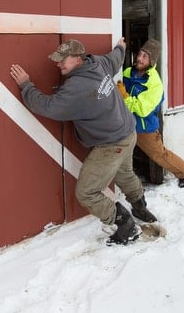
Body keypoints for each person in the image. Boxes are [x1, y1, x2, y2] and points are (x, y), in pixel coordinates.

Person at [9, 38, 158, 245]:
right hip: (128, 132)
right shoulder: (98, 63)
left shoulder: (76, 87)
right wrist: (121, 47)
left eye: (63, 60)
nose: (58, 64)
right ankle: (141, 207)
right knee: (125, 174)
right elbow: (116, 58)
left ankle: (125, 225)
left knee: (86, 192)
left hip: (112, 143)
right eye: (57, 60)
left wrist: (26, 85)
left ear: (78, 60)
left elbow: (48, 106)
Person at [117, 39, 184, 188]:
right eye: (140, 54)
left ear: (152, 60)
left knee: (158, 154)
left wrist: (124, 96)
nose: (139, 58)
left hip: (143, 127)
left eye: (145, 56)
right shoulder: (128, 72)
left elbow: (142, 109)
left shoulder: (154, 84)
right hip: (125, 123)